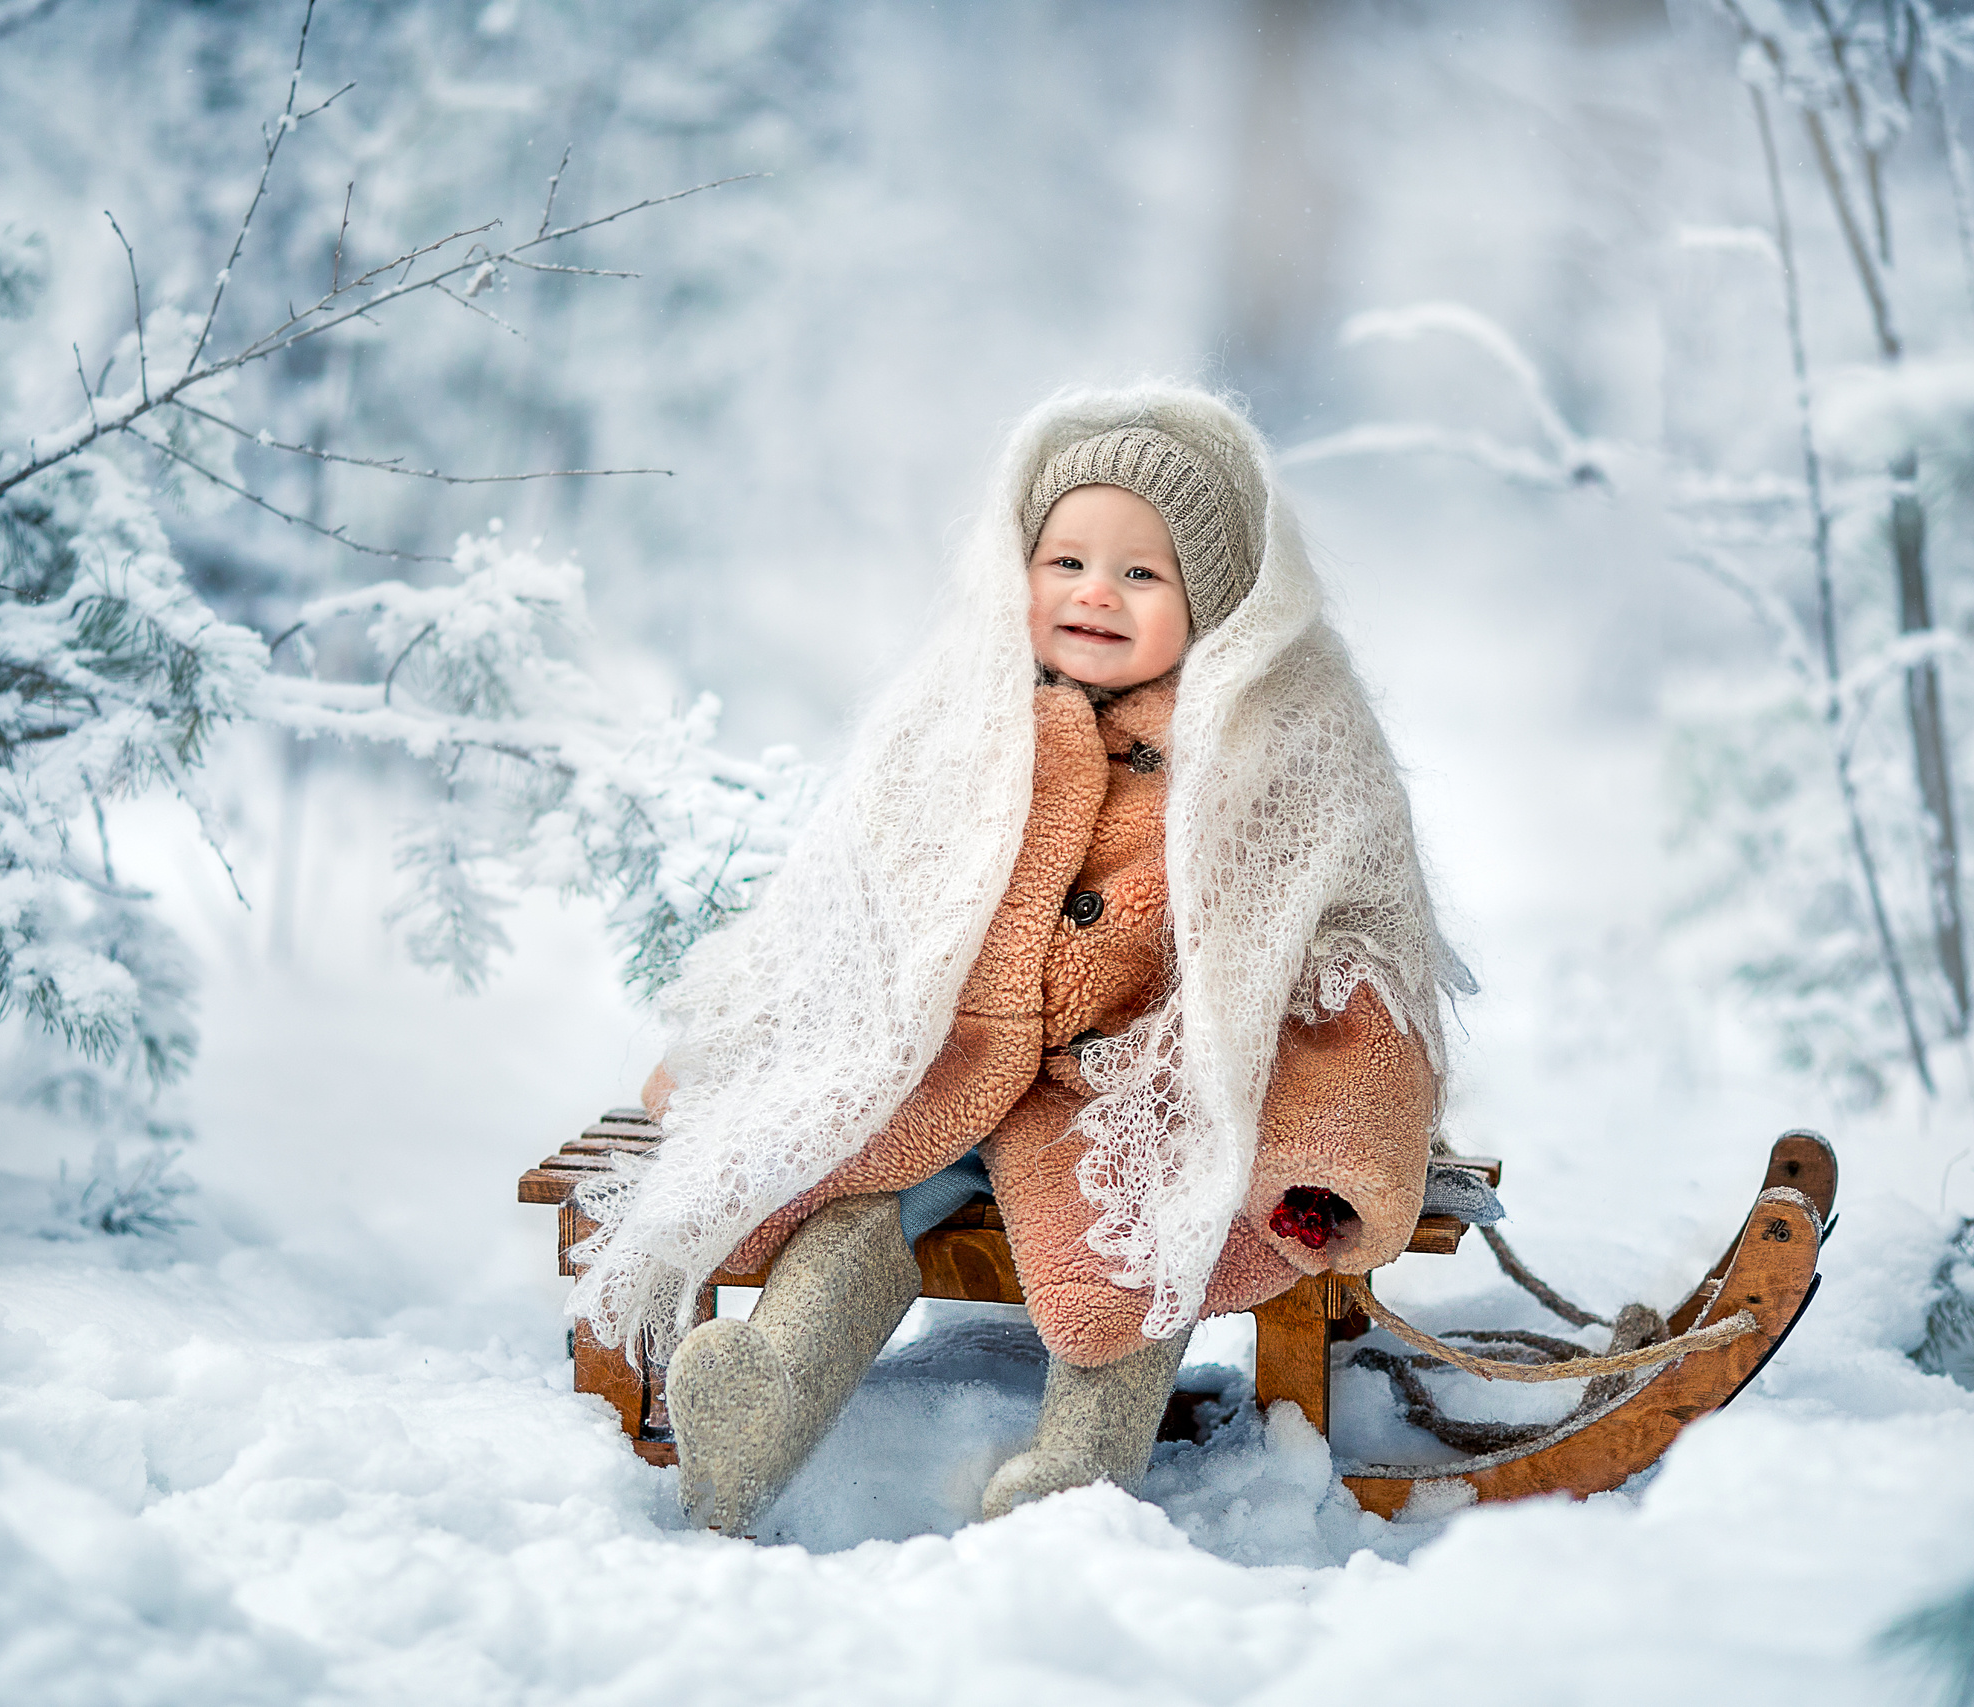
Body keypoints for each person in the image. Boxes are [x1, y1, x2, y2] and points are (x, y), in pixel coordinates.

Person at [567, 382, 1467, 1534]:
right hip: (948, 1071)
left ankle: (1080, 1466)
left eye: (1141, 574)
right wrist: (768, 1041)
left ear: (1213, 599)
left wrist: (1324, 1155)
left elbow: (1350, 966)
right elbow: (861, 901)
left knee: (1145, 1249)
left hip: (1144, 1098)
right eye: (1066, 563)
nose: (1095, 593)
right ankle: (766, 1395)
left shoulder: (1278, 747)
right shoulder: (967, 716)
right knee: (859, 1204)